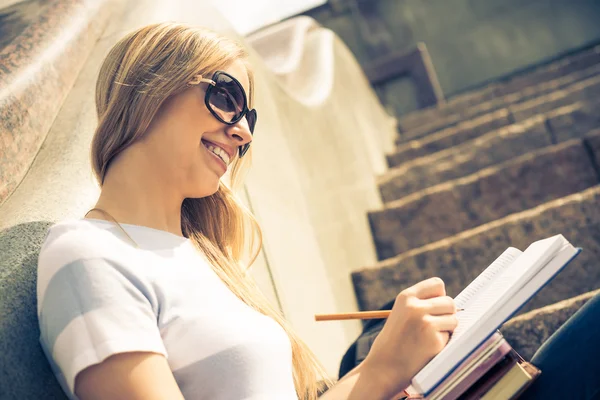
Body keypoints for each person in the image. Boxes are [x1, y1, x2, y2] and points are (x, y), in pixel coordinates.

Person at [35, 22, 600, 400]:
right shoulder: (87, 257)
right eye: (227, 96)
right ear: (147, 89)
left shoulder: (203, 259)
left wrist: (389, 362)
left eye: (249, 117)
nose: (240, 130)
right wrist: (380, 370)